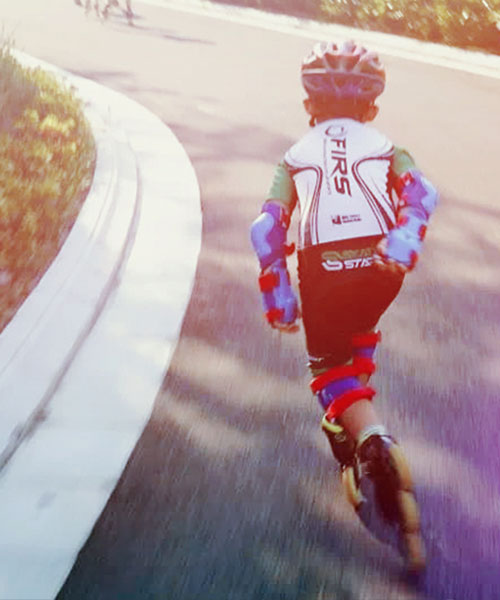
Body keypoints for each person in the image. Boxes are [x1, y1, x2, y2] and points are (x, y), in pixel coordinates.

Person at [250, 40, 438, 572]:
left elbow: (266, 230)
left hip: (323, 270)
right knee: (358, 329)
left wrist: (278, 295)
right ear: (372, 107)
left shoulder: (294, 157)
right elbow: (421, 194)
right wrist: (403, 241)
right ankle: (358, 417)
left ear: (308, 105)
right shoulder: (387, 145)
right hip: (380, 264)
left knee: (327, 367)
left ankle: (372, 438)